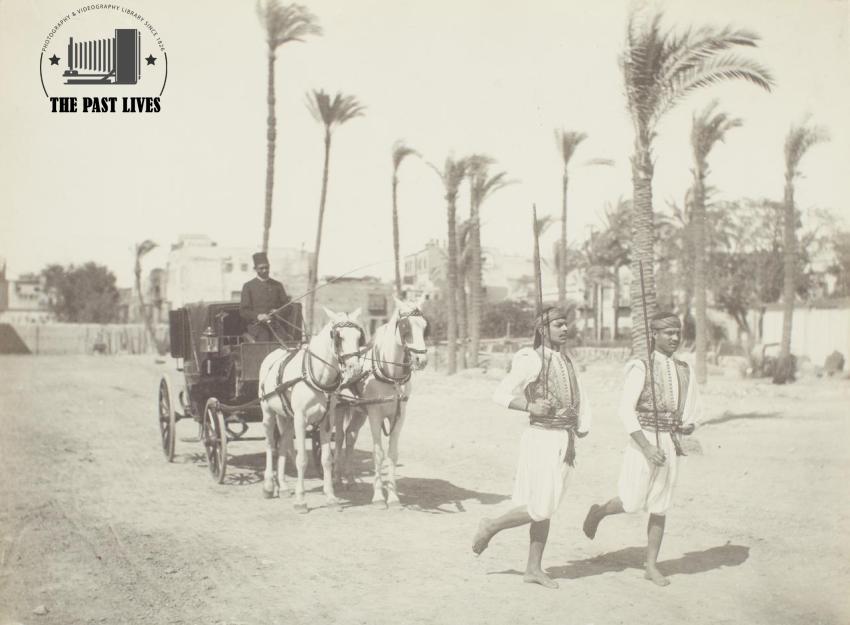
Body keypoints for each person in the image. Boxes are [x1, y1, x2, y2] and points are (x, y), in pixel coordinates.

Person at [472, 306, 592, 590]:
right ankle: (491, 525)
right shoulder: (531, 359)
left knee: (547, 506)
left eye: (566, 324)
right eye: (558, 325)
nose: (565, 329)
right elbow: (499, 394)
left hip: (565, 438)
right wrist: (529, 405)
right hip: (542, 438)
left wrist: (583, 423)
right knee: (542, 505)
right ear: (543, 330)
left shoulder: (566, 359)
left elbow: (582, 395)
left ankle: (533, 568)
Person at [581, 311, 702, 587]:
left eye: (676, 332)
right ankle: (599, 511)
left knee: (660, 505)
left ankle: (651, 566)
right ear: (654, 335)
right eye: (667, 332)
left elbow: (693, 408)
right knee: (632, 501)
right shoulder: (641, 367)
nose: (674, 337)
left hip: (670, 442)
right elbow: (625, 411)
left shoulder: (684, 368)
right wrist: (646, 447)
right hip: (642, 440)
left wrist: (689, 425)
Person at [240, 252, 290, 342]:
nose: (264, 270)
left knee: (285, 343)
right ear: (255, 269)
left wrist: (278, 311)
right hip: (257, 327)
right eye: (261, 268)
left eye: (266, 267)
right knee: (263, 344)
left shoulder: (277, 285)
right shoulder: (248, 286)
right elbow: (244, 311)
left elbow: (287, 306)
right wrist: (258, 316)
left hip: (276, 326)